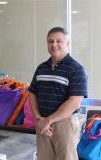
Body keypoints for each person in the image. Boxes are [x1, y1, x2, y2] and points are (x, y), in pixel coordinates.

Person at [28, 27, 88, 160]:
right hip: (42, 123)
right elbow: (32, 93)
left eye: (58, 41)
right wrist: (39, 118)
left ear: (67, 43)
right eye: (50, 41)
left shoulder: (76, 69)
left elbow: (74, 102)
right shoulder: (41, 68)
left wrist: (48, 121)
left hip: (64, 124)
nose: (54, 45)